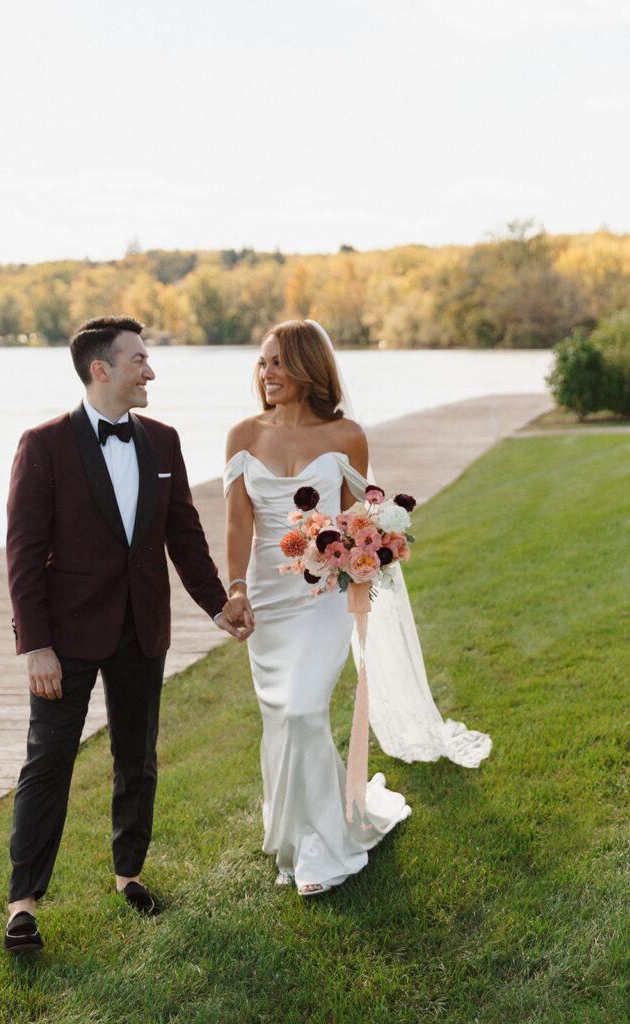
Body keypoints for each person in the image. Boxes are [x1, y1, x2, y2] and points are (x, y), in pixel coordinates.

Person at [4, 315, 249, 952]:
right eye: (140, 359)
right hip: (66, 637)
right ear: (101, 369)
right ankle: (23, 902)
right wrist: (35, 645)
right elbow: (24, 554)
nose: (151, 371)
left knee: (136, 757)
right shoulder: (44, 444)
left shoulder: (163, 442)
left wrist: (219, 606)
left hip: (143, 628)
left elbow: (184, 536)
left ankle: (128, 873)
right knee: (47, 763)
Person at [222, 320, 413, 896]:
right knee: (281, 716)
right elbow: (237, 520)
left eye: (278, 361)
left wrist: (365, 553)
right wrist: (234, 588)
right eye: (262, 363)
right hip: (268, 598)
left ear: (307, 367)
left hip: (322, 595)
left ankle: (322, 850)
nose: (267, 373)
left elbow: (361, 519)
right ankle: (292, 835)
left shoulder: (347, 435)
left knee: (304, 710)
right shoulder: (243, 435)